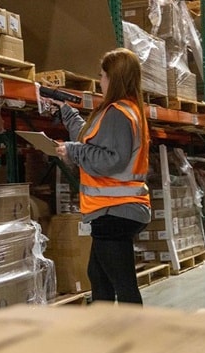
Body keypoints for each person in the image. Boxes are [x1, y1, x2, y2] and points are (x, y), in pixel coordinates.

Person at [47, 48, 151, 305]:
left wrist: (73, 151)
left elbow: (111, 159)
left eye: (103, 76)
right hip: (115, 211)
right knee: (99, 276)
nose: (100, 81)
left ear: (113, 79)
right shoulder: (121, 111)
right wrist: (66, 111)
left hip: (116, 211)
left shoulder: (118, 113)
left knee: (123, 285)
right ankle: (104, 334)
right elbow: (88, 135)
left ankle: (136, 340)